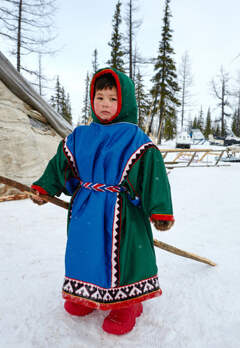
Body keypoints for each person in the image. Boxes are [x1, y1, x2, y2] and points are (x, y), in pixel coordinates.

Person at [30, 68, 174, 335]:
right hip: (86, 210)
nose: (105, 104)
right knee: (84, 251)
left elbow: (153, 174)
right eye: (99, 98)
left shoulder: (136, 139)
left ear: (125, 102)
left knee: (123, 257)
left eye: (113, 99)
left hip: (123, 212)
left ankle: (126, 305)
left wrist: (160, 210)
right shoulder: (80, 136)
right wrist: (45, 187)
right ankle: (86, 294)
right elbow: (62, 164)